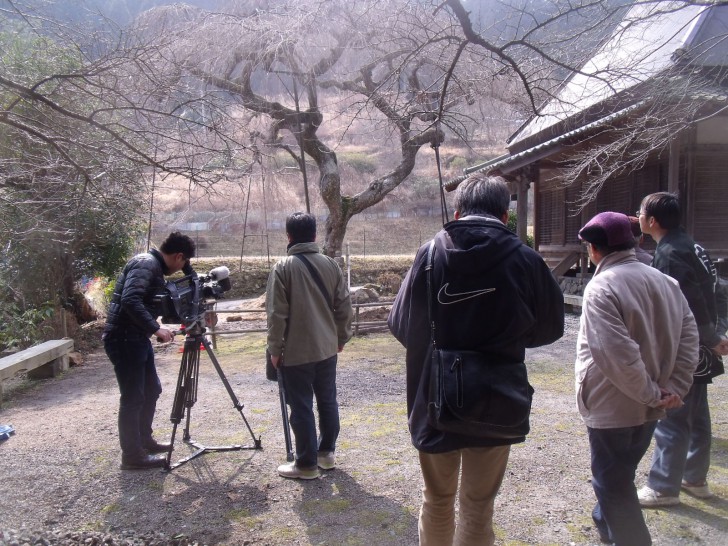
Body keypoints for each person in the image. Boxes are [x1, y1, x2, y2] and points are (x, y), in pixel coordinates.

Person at [388, 174, 564, 546]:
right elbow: (549, 328)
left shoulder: (431, 253)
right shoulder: (525, 259)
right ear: (505, 215)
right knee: (479, 505)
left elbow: (402, 325)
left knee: (437, 500)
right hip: (498, 400)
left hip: (437, 400)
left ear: (457, 210)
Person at [576, 211, 698, 546]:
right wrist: (672, 389)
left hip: (615, 405)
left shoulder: (601, 287)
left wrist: (653, 393)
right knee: (621, 472)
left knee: (612, 484)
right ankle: (605, 527)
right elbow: (690, 340)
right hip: (653, 401)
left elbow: (616, 353)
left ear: (594, 249)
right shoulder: (666, 282)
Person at [636, 192, 728, 506]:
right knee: (697, 415)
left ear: (652, 221)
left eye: (641, 212)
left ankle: (663, 486)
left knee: (673, 413)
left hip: (687, 346)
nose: (638, 216)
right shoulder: (693, 246)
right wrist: (717, 334)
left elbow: (684, 305)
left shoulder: (670, 253)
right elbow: (719, 291)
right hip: (704, 345)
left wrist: (710, 337)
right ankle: (694, 477)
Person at [266, 212, 353, 480]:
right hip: (327, 349)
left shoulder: (282, 267)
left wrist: (274, 351)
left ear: (289, 236)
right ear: (315, 235)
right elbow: (344, 307)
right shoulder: (331, 265)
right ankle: (326, 453)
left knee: (301, 405)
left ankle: (306, 465)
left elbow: (276, 315)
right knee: (327, 400)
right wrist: (341, 338)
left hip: (296, 352)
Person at [103, 232, 196, 470]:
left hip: (136, 338)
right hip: (123, 339)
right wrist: (156, 328)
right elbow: (130, 300)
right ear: (178, 256)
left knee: (151, 389)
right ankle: (132, 456)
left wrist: (190, 273)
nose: (181, 268)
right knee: (133, 397)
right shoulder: (146, 264)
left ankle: (145, 441)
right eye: (183, 263)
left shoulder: (153, 266)